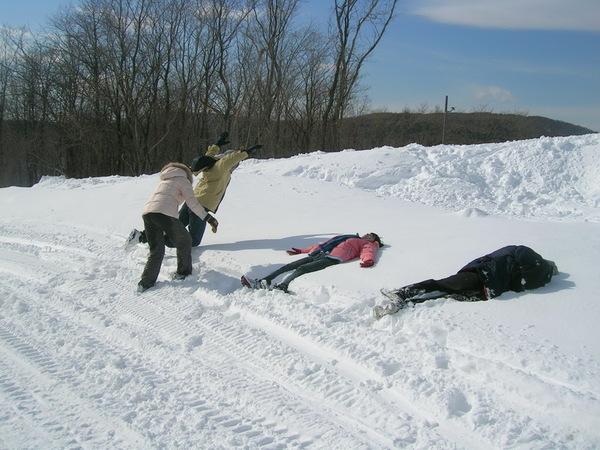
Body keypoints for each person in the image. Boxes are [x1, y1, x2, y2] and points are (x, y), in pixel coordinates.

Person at [373, 245, 558, 319]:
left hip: (480, 275)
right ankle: (406, 302)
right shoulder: (528, 266)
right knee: (448, 294)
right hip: (488, 289)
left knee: (443, 286)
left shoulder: (524, 256)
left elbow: (495, 258)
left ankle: (403, 295)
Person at [166, 132, 261, 247]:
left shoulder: (210, 161)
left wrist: (217, 144)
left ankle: (149, 238)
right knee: (194, 240)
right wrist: (247, 152)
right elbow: (230, 159)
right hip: (201, 205)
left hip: (192, 199)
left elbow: (209, 154)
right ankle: (169, 242)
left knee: (176, 226)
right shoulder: (221, 168)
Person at [137, 162, 219, 293]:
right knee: (185, 241)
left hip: (148, 214)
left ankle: (145, 283)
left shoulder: (164, 181)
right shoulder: (183, 181)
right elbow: (192, 203)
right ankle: (183, 272)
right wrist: (209, 218)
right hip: (165, 214)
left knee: (156, 251)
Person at [241, 233, 383, 293]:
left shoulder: (367, 244)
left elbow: (367, 251)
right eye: (367, 233)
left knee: (302, 268)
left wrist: (368, 260)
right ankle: (263, 281)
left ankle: (283, 286)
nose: (366, 235)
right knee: (288, 266)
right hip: (320, 253)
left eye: (370, 235)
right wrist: (302, 250)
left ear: (373, 239)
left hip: (331, 259)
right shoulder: (350, 237)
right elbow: (325, 244)